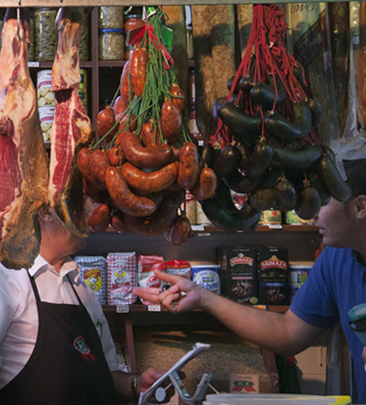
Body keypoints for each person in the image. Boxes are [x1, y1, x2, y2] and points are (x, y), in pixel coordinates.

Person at [134, 158, 366, 402]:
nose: (310, 211)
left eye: (323, 199)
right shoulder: (337, 258)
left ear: (360, 207)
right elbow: (288, 332)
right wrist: (203, 297)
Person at [0, 205, 168, 405]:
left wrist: (135, 384)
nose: (94, 216)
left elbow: (106, 377)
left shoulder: (79, 284)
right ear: (46, 212)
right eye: (81, 203)